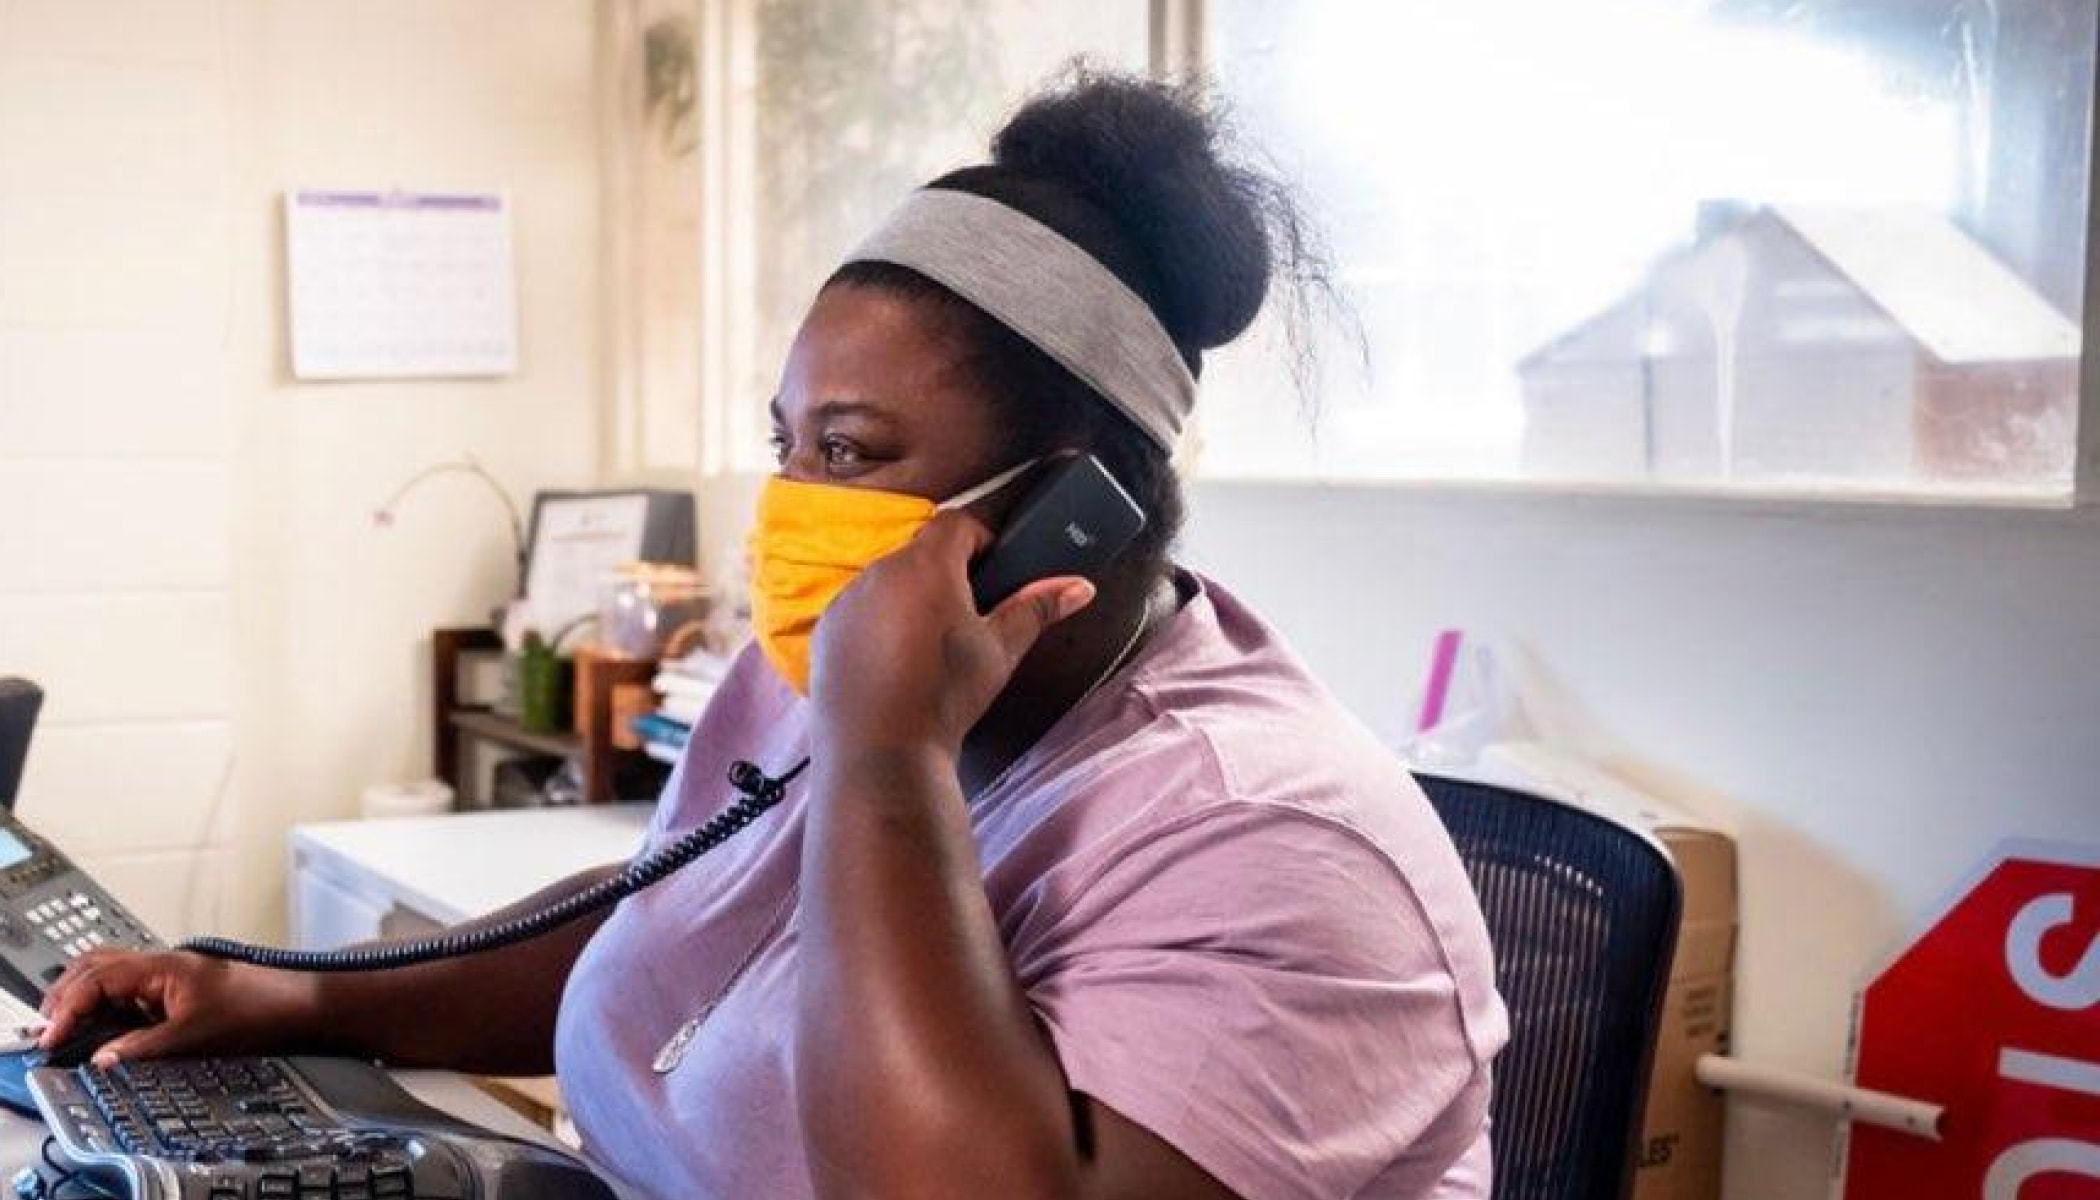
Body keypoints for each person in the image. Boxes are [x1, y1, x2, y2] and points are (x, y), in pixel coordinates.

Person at [39, 69, 1507, 1200]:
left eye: (855, 452)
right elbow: (680, 923)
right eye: (785, 440)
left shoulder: (1282, 847)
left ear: (1079, 506)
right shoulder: (828, 675)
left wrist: (883, 757)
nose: (794, 504)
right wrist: (305, 999)